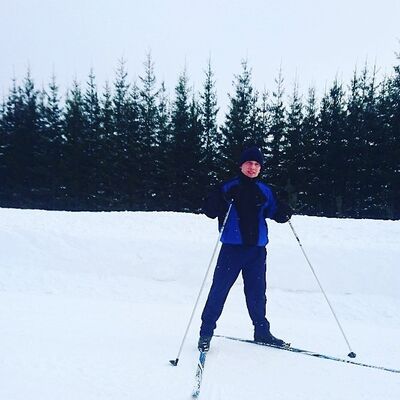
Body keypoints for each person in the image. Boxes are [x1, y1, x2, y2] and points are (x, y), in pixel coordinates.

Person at [198, 146, 292, 352]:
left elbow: (276, 213)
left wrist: (284, 210)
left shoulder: (265, 190)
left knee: (257, 293)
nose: (253, 167)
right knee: (219, 291)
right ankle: (206, 333)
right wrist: (215, 199)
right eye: (249, 163)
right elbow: (210, 211)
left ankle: (262, 332)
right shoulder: (228, 187)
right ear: (241, 165)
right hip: (232, 251)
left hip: (256, 252)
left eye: (257, 164)